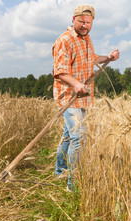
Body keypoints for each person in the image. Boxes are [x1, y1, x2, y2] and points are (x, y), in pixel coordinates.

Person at [52, 4, 119, 191]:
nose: (84, 25)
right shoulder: (64, 40)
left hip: (82, 97)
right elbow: (60, 71)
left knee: (69, 135)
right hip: (68, 97)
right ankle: (73, 185)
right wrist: (76, 84)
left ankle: (60, 170)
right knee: (78, 138)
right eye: (81, 21)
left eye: (88, 22)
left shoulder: (86, 39)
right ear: (73, 19)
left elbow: (91, 58)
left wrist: (108, 58)